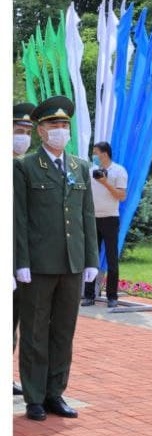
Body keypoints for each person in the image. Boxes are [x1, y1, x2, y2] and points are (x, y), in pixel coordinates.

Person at [13, 95, 98, 421]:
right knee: (35, 332)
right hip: (38, 263)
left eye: (64, 125)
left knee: (64, 331)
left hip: (72, 263)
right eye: (53, 126)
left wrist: (91, 259)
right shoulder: (25, 167)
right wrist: (20, 262)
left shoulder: (80, 166)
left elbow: (86, 215)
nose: (60, 131)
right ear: (40, 131)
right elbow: (19, 219)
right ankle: (34, 396)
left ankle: (55, 393)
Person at [82, 141, 128, 308]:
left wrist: (105, 183)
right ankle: (88, 295)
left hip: (110, 219)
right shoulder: (90, 171)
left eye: (95, 152)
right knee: (91, 257)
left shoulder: (118, 171)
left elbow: (121, 196)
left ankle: (112, 297)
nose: (93, 156)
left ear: (104, 153)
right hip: (93, 219)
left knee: (111, 258)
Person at [12, 101, 35, 397]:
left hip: (18, 260)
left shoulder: (25, 166)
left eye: (28, 132)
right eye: (19, 130)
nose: (24, 137)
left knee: (12, 320)